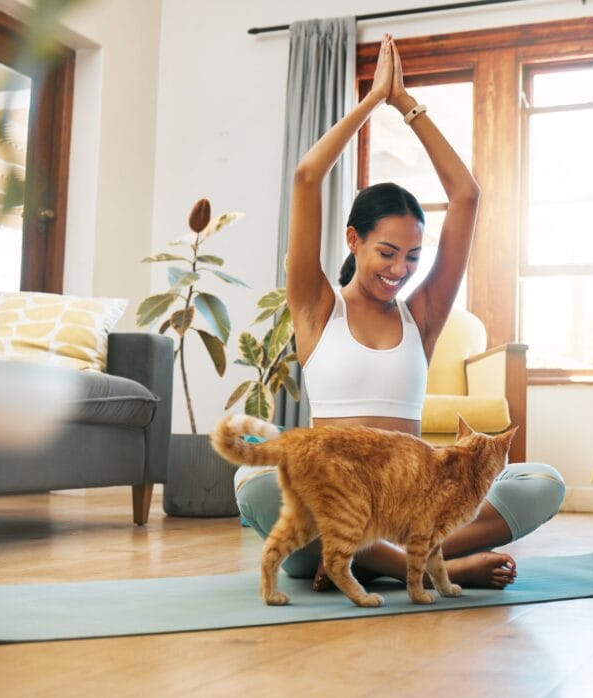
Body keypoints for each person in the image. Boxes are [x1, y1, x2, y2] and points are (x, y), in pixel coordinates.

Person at [234, 34, 564, 591]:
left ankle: (375, 560)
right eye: (387, 253)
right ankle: (442, 567)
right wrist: (371, 101)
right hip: (329, 509)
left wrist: (407, 104)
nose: (400, 270)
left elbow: (466, 196)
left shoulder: (423, 317)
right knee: (259, 487)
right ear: (353, 241)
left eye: (412, 257)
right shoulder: (318, 309)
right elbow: (306, 178)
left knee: (541, 482)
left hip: (413, 507)